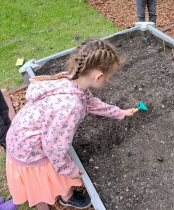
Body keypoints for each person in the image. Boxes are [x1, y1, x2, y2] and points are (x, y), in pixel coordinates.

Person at [5, 38, 135, 209]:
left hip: (20, 138)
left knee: (60, 162)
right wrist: (70, 171)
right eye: (108, 79)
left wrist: (120, 113)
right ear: (99, 76)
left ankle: (65, 187)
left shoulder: (68, 80)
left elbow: (91, 103)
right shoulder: (69, 107)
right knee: (58, 174)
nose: (107, 82)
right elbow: (54, 148)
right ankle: (67, 196)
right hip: (30, 153)